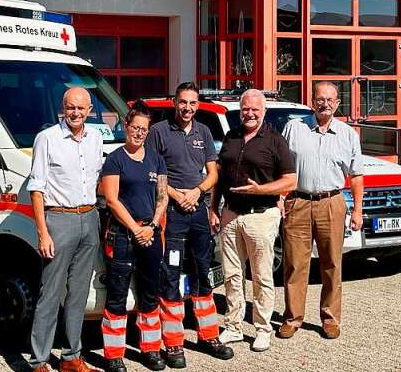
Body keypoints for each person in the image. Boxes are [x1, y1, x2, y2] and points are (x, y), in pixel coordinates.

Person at [145, 82, 234, 367]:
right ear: (175, 102)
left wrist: (196, 192)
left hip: (197, 212)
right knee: (170, 274)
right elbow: (154, 173)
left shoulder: (203, 132)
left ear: (197, 105)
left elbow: (212, 173)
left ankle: (208, 335)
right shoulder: (158, 132)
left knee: (202, 271)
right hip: (171, 212)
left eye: (192, 103)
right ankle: (172, 343)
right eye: (183, 102)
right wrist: (177, 195)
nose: (187, 108)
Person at [210, 89, 296, 353]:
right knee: (232, 275)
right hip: (231, 214)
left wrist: (262, 190)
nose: (249, 113)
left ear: (264, 111)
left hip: (261, 215)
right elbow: (220, 176)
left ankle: (262, 329)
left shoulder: (274, 140)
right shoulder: (231, 137)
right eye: (246, 108)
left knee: (260, 276)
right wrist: (214, 208)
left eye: (255, 109)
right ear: (240, 109)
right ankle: (233, 326)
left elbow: (291, 181)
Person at [278, 81, 365, 341]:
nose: (324, 104)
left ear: (338, 103)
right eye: (319, 98)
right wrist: (280, 198)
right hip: (299, 202)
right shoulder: (294, 128)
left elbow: (356, 175)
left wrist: (358, 210)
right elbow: (281, 167)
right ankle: (292, 318)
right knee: (295, 263)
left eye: (330, 99)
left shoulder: (348, 134)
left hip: (332, 202)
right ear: (312, 101)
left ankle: (330, 319)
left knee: (332, 263)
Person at [28, 87, 105, 372]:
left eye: (80, 108)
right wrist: (42, 232)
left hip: (89, 217)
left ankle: (71, 357)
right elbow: (36, 189)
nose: (75, 113)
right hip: (58, 221)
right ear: (63, 108)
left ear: (89, 109)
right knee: (50, 293)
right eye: (70, 107)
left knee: (79, 294)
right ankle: (38, 361)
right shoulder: (46, 139)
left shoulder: (96, 138)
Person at [99, 101, 169, 372]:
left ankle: (150, 350)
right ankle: (113, 353)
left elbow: (162, 197)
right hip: (122, 236)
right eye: (135, 127)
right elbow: (112, 200)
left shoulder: (156, 159)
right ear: (125, 126)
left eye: (144, 129)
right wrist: (135, 228)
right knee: (117, 295)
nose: (139, 133)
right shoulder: (115, 159)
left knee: (150, 294)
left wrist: (151, 226)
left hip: (150, 234)